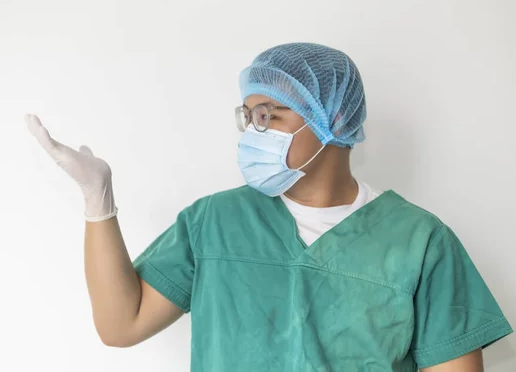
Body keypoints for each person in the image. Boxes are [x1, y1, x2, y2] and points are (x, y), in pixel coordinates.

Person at [25, 42, 513, 371]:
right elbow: (120, 325)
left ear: (333, 118)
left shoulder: (419, 243)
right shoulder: (213, 223)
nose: (253, 129)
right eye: (249, 116)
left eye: (269, 115)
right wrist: (98, 201)